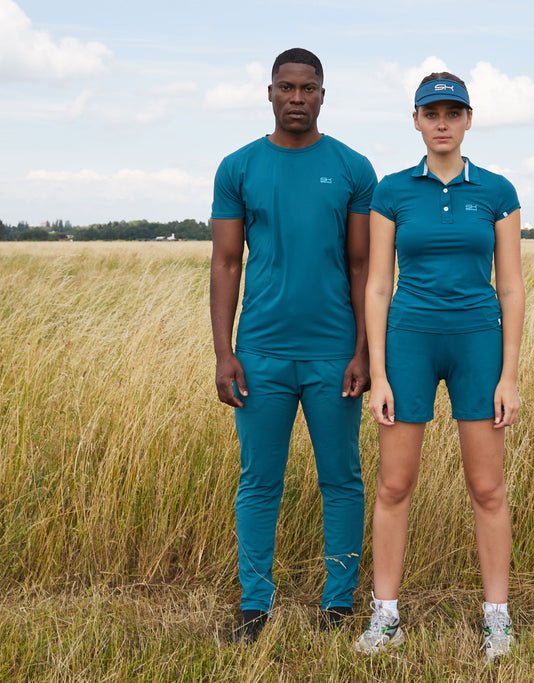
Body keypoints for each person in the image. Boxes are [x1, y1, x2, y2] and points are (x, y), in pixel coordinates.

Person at [354, 72, 525, 663]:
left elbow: (512, 287)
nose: (443, 122)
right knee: (394, 484)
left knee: (487, 487)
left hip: (479, 341)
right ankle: (386, 616)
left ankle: (497, 619)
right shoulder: (393, 190)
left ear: (469, 119)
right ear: (418, 121)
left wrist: (509, 375)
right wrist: (379, 374)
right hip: (409, 343)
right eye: (433, 113)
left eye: (454, 112)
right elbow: (378, 287)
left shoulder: (497, 191)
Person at [209, 47, 377, 644]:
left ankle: (338, 606)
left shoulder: (354, 168)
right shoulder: (239, 167)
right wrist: (224, 353)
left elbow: (363, 265)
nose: (297, 98)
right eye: (287, 87)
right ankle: (255, 607)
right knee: (259, 480)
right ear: (271, 93)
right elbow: (227, 263)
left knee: (342, 478)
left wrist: (364, 350)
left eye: (309, 88)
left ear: (323, 95)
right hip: (261, 354)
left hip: (336, 354)